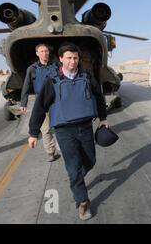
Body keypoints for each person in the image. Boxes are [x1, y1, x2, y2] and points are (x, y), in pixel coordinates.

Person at [28, 42, 109, 221]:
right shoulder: (53, 81)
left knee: (90, 161)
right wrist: (34, 132)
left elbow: (99, 97)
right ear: (61, 59)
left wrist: (103, 118)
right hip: (64, 131)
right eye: (69, 58)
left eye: (75, 58)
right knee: (73, 168)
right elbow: (40, 107)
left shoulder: (87, 77)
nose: (73, 61)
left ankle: (76, 181)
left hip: (86, 127)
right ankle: (82, 201)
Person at [20, 43, 60, 162]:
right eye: (42, 51)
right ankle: (50, 152)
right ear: (37, 53)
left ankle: (62, 148)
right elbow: (26, 86)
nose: (45, 53)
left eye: (46, 51)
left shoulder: (56, 65)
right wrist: (23, 103)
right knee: (45, 128)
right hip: (42, 102)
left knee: (59, 125)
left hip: (56, 100)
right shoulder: (32, 69)